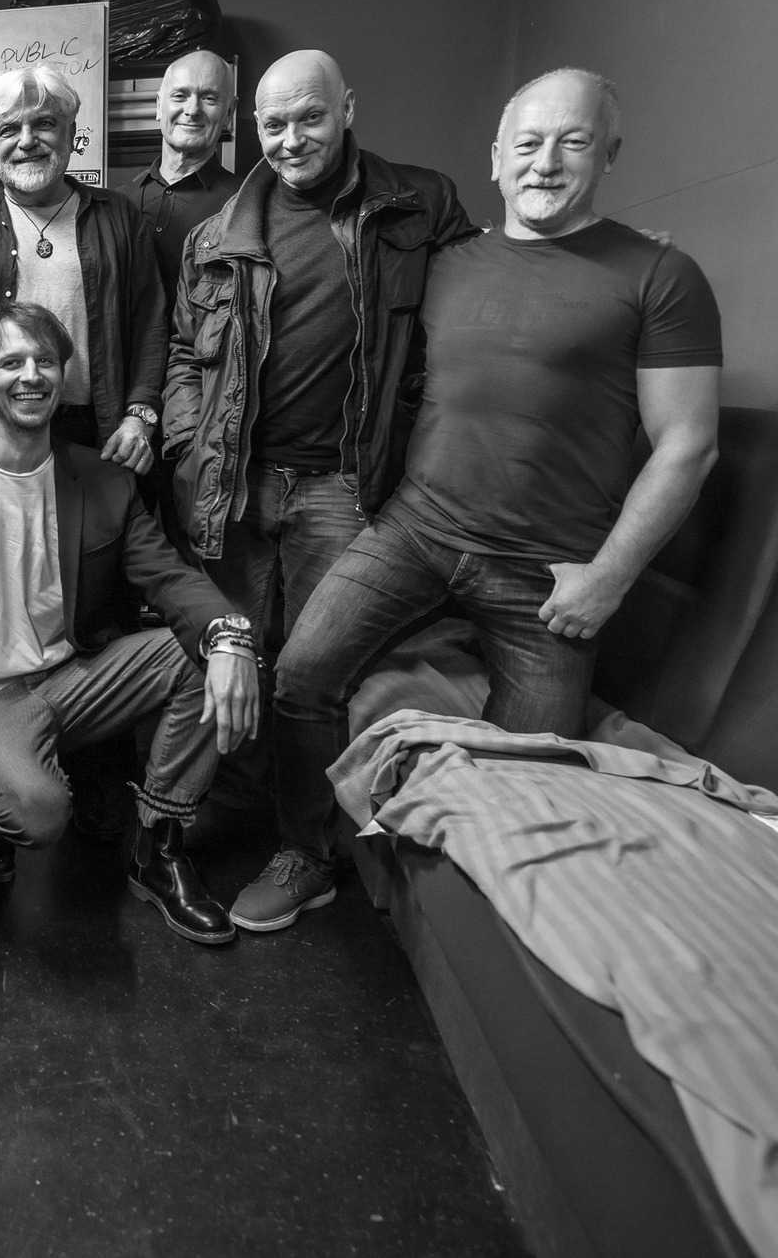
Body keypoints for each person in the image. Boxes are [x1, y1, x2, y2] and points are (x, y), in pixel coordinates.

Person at [264, 68, 722, 930]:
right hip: (416, 530)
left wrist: (609, 578)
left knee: (527, 778)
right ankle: (306, 854)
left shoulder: (661, 275)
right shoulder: (444, 263)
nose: (545, 162)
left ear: (609, 154)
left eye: (572, 142)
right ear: (495, 159)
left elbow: (688, 445)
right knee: (299, 674)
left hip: (547, 573)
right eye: (528, 143)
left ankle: (471, 911)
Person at [159, 49, 473, 927]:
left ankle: (306, 850)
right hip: (235, 482)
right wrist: (186, 443)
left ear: (347, 110)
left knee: (310, 673)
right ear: (251, 126)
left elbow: (486, 296)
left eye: (310, 117)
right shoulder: (216, 234)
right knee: (235, 652)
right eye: (274, 123)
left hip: (343, 485)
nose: (291, 138)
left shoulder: (417, 205)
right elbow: (184, 354)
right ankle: (239, 807)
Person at [0, 302, 260, 945]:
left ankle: (158, 845)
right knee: (40, 815)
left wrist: (231, 637)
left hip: (77, 679)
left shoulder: (103, 479)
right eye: (11, 362)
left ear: (63, 376)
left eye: (45, 361)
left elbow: (168, 576)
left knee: (208, 649)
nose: (31, 375)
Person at [0, 64, 168, 476]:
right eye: (8, 129)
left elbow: (151, 324)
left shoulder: (119, 215)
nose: (26, 141)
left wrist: (139, 416)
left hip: (101, 433)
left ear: (71, 133)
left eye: (44, 124)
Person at [121, 49, 238, 295]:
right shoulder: (119, 202)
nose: (192, 110)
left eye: (209, 98)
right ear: (158, 106)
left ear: (229, 113)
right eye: (180, 96)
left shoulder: (243, 206)